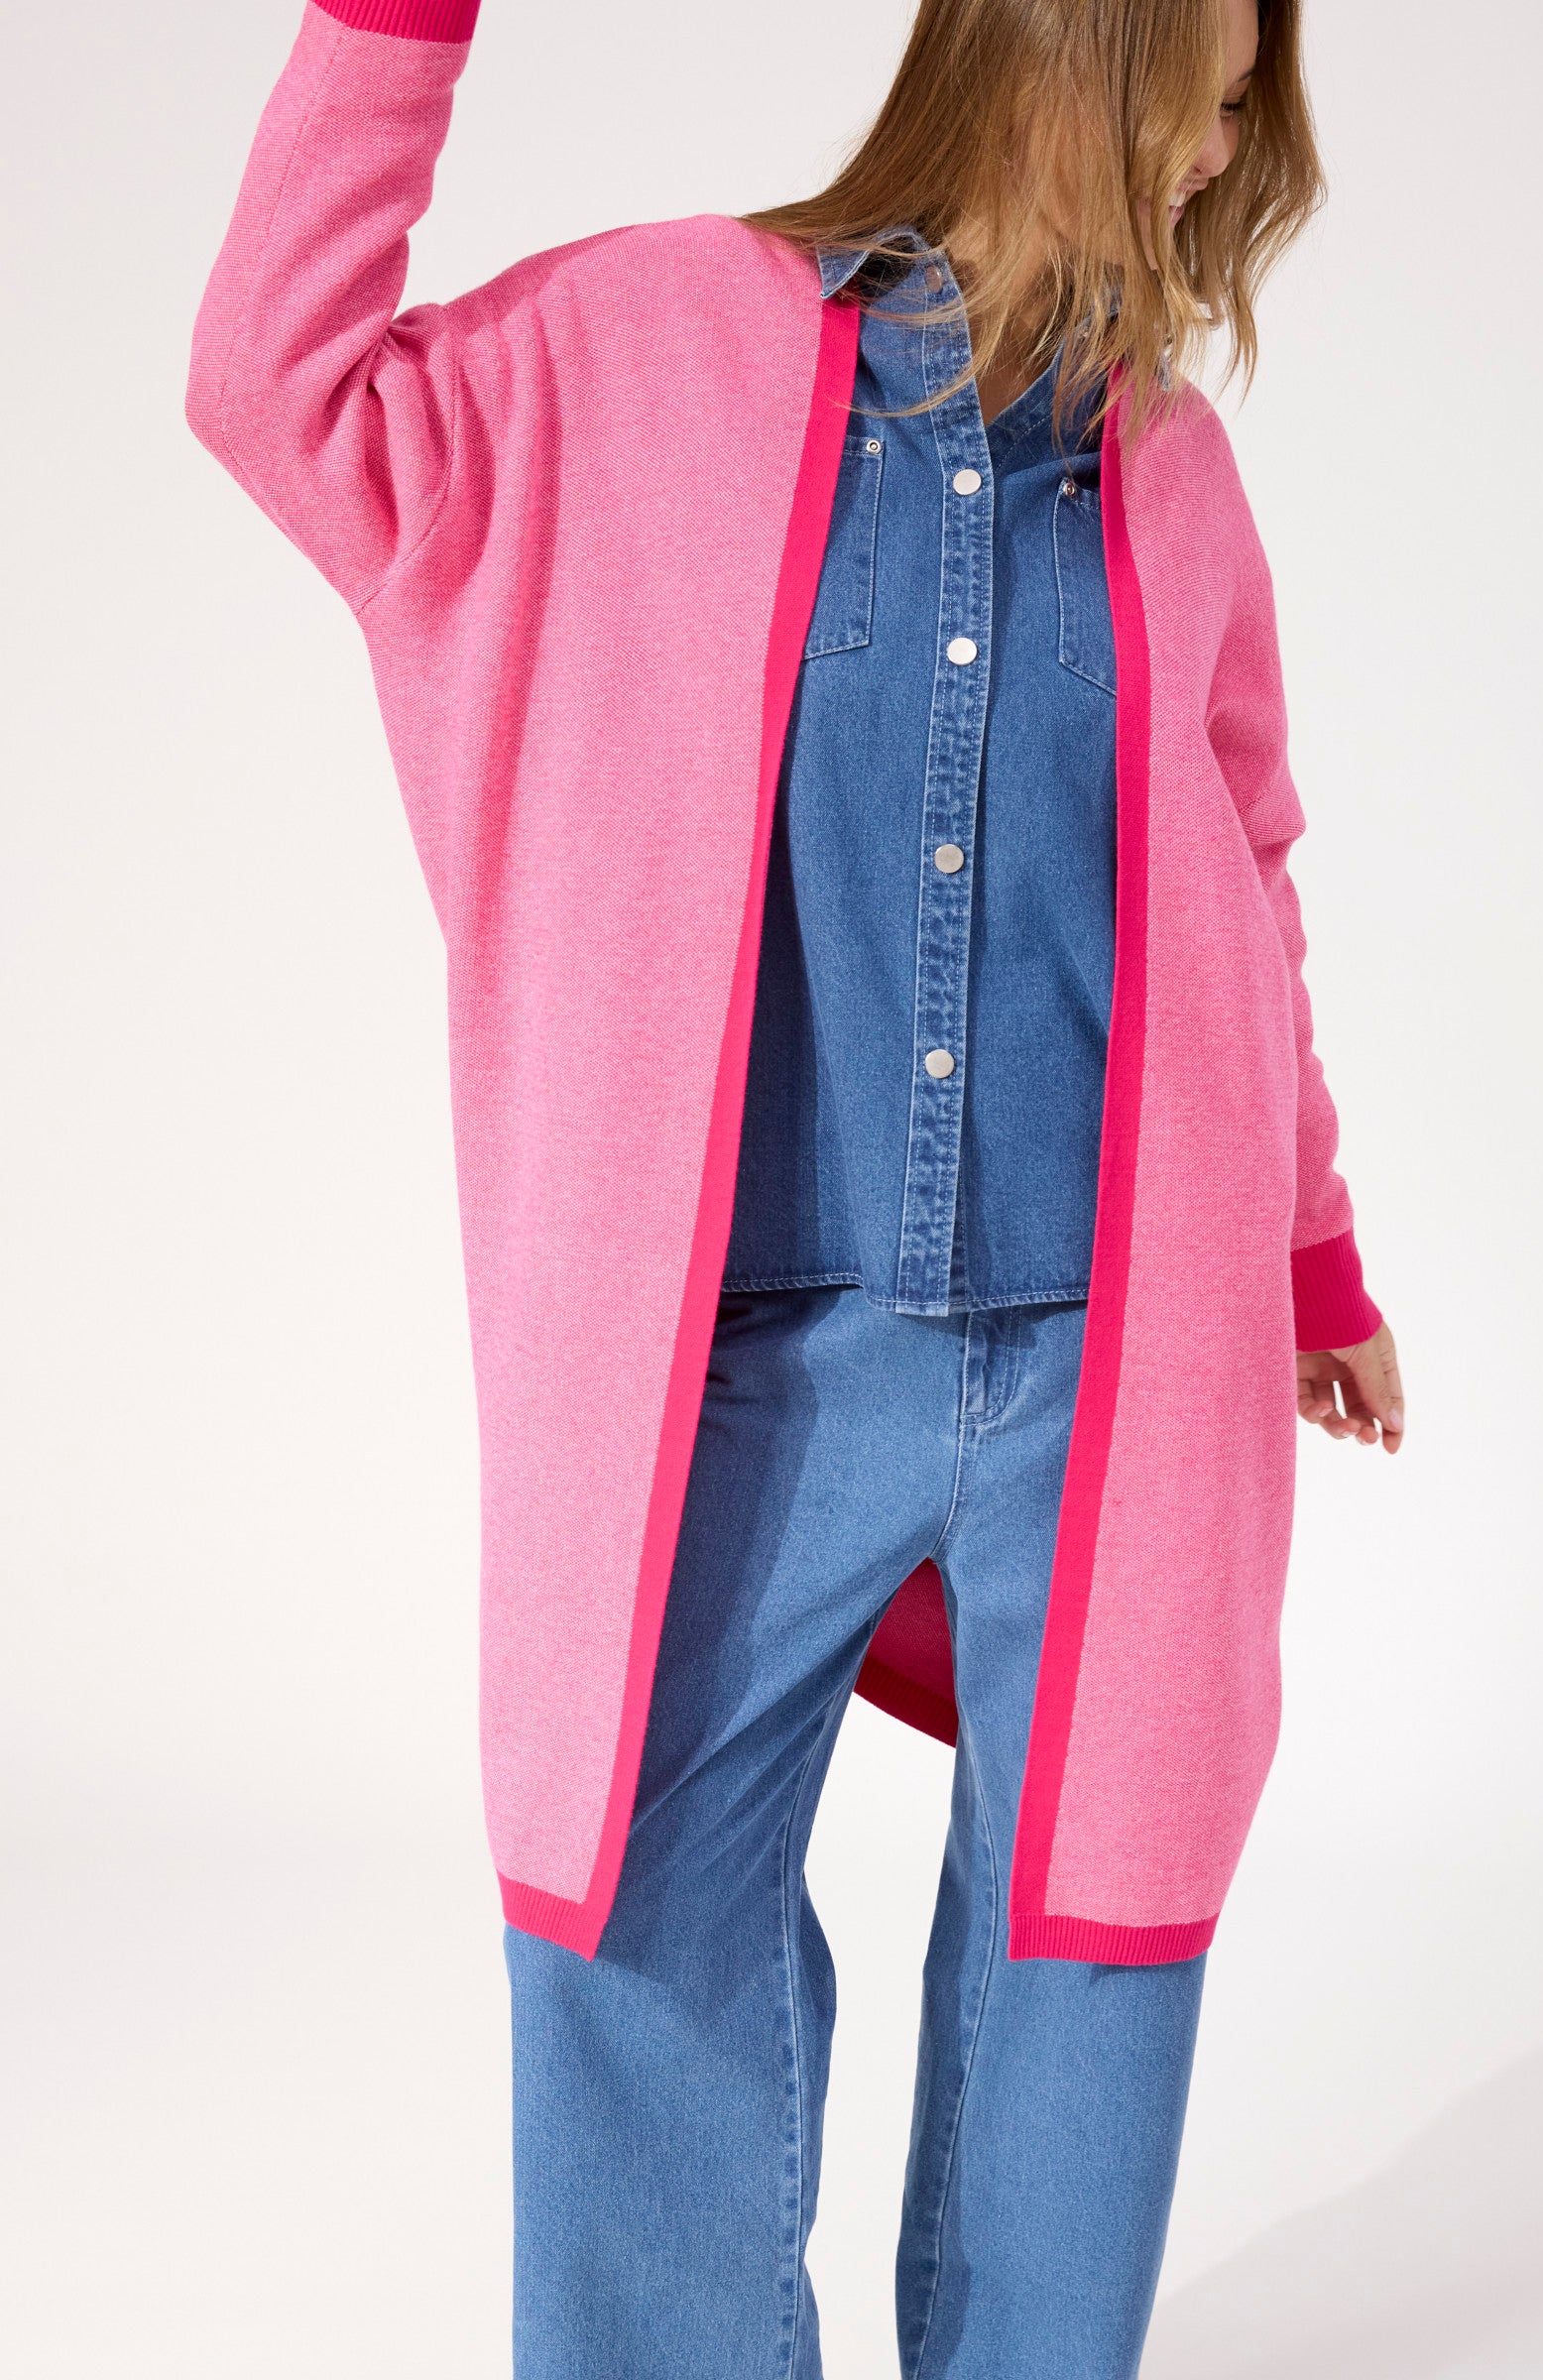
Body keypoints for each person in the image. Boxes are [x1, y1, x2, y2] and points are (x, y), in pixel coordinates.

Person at [187, 0, 1404, 2371]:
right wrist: (394, 29)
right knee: (635, 1932)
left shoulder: (1168, 471)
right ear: (1066, 56)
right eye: (1211, 85)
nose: (1224, 146)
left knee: (1086, 1959)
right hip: (738, 1372)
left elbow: (1242, 866)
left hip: (1113, 1377)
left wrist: (1308, 1246)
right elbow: (278, 387)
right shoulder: (640, 346)